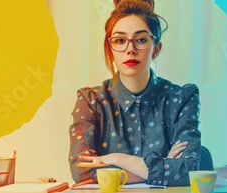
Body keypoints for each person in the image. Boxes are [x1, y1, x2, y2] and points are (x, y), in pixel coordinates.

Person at [68, 0, 201, 186]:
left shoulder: (182, 98)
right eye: (120, 40)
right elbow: (82, 169)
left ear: (156, 48)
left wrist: (116, 158)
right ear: (110, 48)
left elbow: (187, 170)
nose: (130, 50)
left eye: (141, 40)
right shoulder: (91, 101)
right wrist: (161, 167)